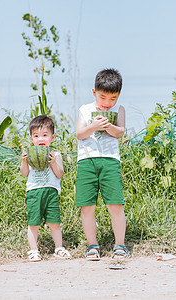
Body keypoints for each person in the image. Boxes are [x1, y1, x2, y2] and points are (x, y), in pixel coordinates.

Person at [75, 68, 129, 260]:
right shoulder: (85, 109)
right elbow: (80, 134)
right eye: (102, 97)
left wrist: (109, 126)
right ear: (94, 92)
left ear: (118, 95)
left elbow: (121, 132)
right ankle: (92, 246)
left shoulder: (119, 109)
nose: (107, 103)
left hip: (110, 161)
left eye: (112, 98)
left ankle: (120, 245)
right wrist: (93, 127)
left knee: (115, 204)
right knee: (87, 206)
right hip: (87, 162)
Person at [21, 115, 71, 262]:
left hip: (51, 192)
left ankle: (58, 248)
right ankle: (33, 250)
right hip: (34, 193)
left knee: (54, 222)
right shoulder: (30, 155)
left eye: (44, 135)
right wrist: (24, 161)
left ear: (52, 137)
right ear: (31, 139)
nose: (40, 138)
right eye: (36, 136)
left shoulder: (55, 154)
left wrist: (54, 162)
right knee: (33, 223)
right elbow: (24, 173)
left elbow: (60, 174)